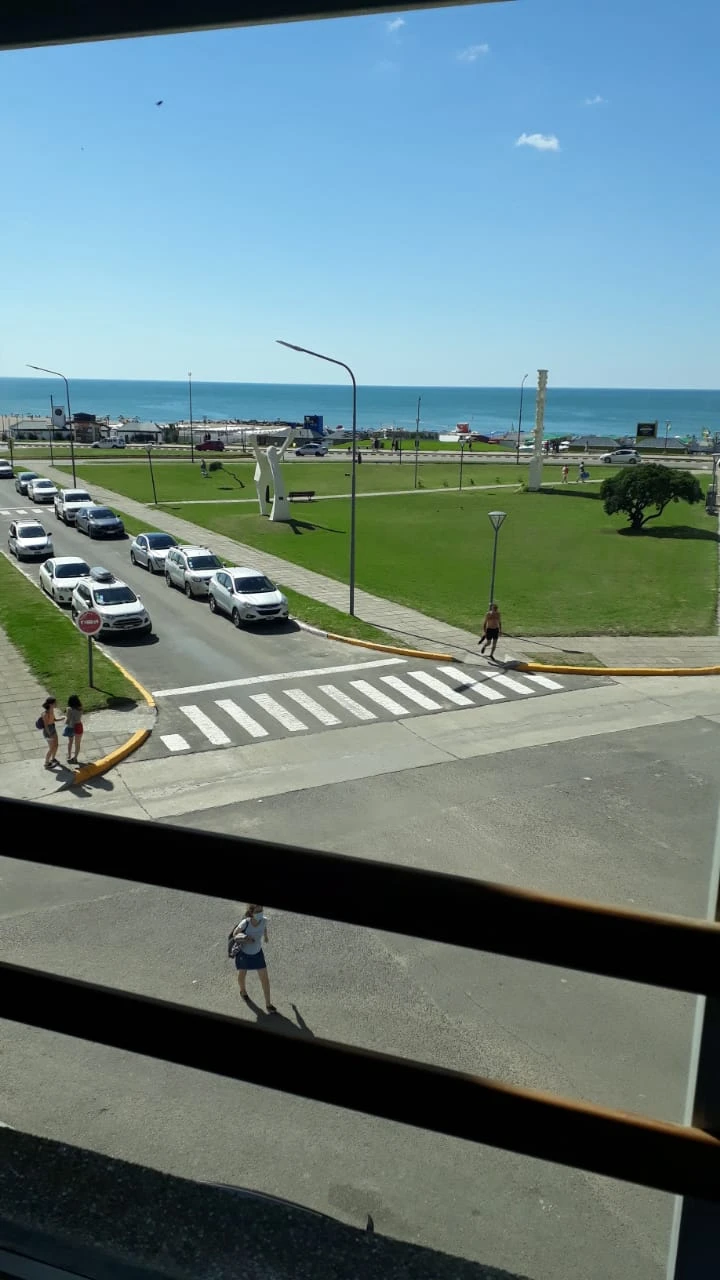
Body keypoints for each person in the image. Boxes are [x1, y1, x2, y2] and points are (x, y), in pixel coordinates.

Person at [231, 905, 276, 1012]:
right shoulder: (245, 923)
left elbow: (264, 927)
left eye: (261, 910)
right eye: (258, 911)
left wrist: (265, 936)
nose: (260, 912)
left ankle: (268, 1004)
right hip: (244, 954)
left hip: (257, 954)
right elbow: (235, 934)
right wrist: (246, 938)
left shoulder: (264, 920)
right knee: (242, 974)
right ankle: (243, 991)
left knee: (265, 979)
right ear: (251, 912)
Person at [63, 694, 84, 763]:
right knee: (77, 743)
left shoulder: (69, 709)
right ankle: (75, 758)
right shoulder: (80, 707)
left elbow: (67, 720)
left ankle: (69, 755)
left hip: (71, 727)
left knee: (70, 742)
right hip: (79, 726)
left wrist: (64, 720)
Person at [40, 696, 60, 768]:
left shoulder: (52, 710)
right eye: (55, 703)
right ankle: (46, 763)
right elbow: (45, 726)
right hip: (48, 731)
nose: (56, 704)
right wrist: (50, 735)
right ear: (51, 704)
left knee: (56, 745)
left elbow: (53, 719)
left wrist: (61, 719)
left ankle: (53, 759)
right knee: (51, 748)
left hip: (53, 728)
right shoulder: (45, 714)